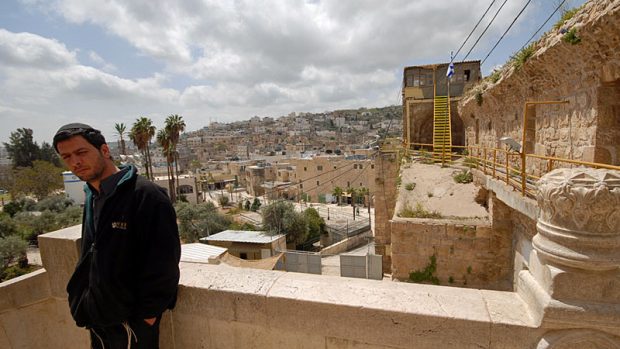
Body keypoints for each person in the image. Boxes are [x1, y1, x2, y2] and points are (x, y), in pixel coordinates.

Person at [53, 123, 181, 349]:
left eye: (81, 152)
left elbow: (164, 262)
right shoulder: (93, 196)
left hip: (133, 324)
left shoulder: (146, 196)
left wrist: (147, 317)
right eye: (67, 157)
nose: (75, 162)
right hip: (99, 317)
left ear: (104, 151)